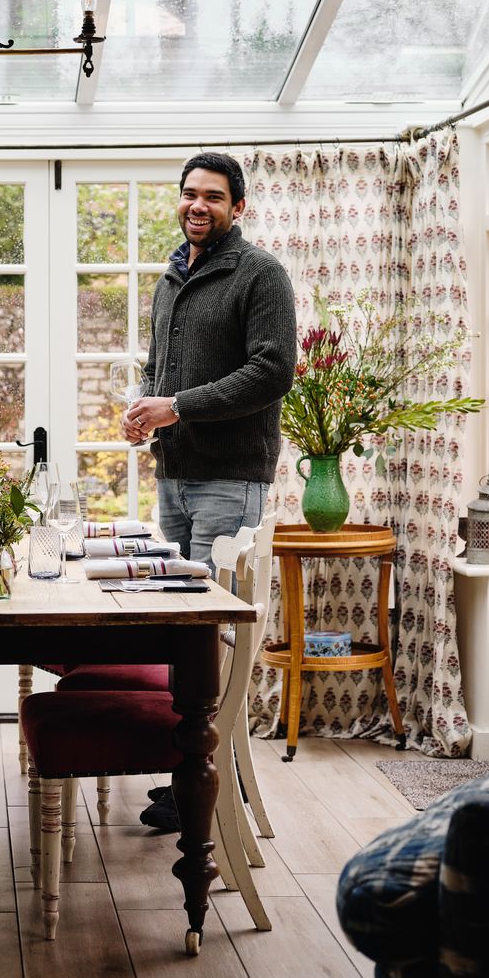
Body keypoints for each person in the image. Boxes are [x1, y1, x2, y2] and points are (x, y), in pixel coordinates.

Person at [122, 151, 296, 833]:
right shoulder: (171, 276)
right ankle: (188, 770)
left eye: (213, 197)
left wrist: (178, 406)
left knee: (212, 635)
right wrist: (145, 407)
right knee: (181, 630)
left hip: (231, 477)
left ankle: (210, 779)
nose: (198, 205)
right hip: (174, 474)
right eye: (190, 193)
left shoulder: (261, 275)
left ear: (238, 207)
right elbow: (158, 368)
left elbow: (272, 371)